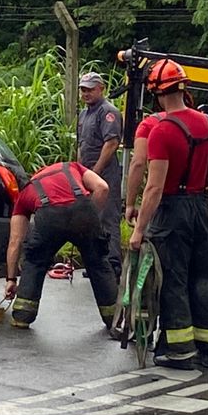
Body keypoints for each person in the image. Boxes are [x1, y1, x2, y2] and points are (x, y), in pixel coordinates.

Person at [130, 59, 208, 370]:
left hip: (173, 211)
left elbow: (154, 187)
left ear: (157, 94)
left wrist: (138, 229)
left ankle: (180, 351)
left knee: (173, 280)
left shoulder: (161, 132)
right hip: (201, 207)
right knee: (204, 278)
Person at [4, 161, 117, 329]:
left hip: (49, 218)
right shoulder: (71, 167)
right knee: (98, 262)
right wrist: (89, 218)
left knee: (35, 261)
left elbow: (15, 242)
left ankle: (23, 316)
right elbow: (102, 188)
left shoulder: (26, 192)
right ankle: (114, 318)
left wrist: (11, 279)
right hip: (83, 210)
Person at [76, 71, 124, 281]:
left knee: (108, 217)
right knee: (91, 218)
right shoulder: (84, 114)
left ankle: (112, 264)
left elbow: (112, 143)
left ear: (100, 88)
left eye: (90, 89)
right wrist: (78, 171)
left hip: (105, 173)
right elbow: (81, 144)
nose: (86, 93)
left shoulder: (108, 112)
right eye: (83, 90)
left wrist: (95, 171)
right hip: (87, 172)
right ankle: (96, 263)